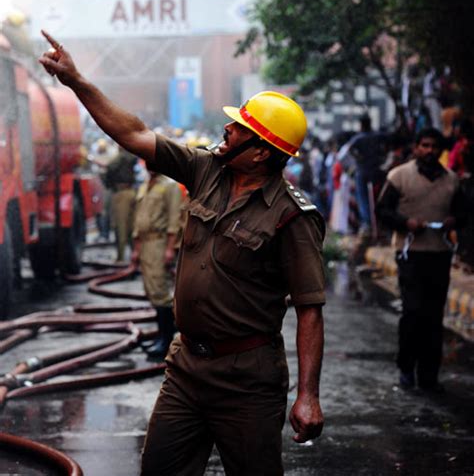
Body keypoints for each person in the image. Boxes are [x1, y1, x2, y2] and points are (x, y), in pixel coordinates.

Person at [39, 31, 326, 476]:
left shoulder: (292, 216)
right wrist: (76, 81)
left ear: (261, 154)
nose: (227, 129)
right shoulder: (204, 169)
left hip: (247, 381)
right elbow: (133, 133)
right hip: (186, 367)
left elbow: (310, 308)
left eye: (241, 129)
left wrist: (308, 395)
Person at [376, 127, 466, 391]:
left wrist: (453, 221)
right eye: (425, 146)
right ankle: (406, 368)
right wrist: (406, 223)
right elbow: (382, 210)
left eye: (434, 147)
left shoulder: (451, 180)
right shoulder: (399, 176)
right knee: (413, 312)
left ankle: (429, 375)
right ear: (416, 147)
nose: (429, 151)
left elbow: (464, 212)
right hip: (409, 254)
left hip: (439, 254)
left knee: (434, 316)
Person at [132, 170, 184, 360]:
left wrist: (170, 248)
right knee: (152, 290)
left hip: (159, 242)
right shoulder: (145, 186)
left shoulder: (169, 186)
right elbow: (138, 220)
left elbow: (174, 220)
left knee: (160, 291)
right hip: (145, 243)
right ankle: (161, 337)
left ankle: (166, 340)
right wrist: (136, 249)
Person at [346, 115, 388, 237]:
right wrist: (381, 156)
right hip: (376, 170)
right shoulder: (378, 136)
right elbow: (388, 143)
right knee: (378, 196)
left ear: (361, 125)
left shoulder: (359, 138)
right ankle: (378, 222)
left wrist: (359, 158)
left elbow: (349, 150)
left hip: (363, 171)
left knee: (363, 198)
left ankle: (368, 223)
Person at [103, 146, 137, 261]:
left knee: (120, 227)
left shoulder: (121, 157)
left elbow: (110, 167)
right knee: (132, 226)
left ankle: (121, 258)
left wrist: (108, 183)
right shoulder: (132, 157)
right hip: (131, 191)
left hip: (121, 194)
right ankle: (134, 255)